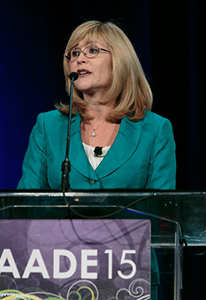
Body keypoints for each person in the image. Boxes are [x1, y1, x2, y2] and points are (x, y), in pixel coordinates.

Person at [17, 20, 176, 190]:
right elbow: (25, 205)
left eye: (92, 50)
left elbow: (162, 209)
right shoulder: (48, 126)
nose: (80, 59)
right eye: (74, 53)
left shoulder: (155, 129)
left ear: (119, 61)